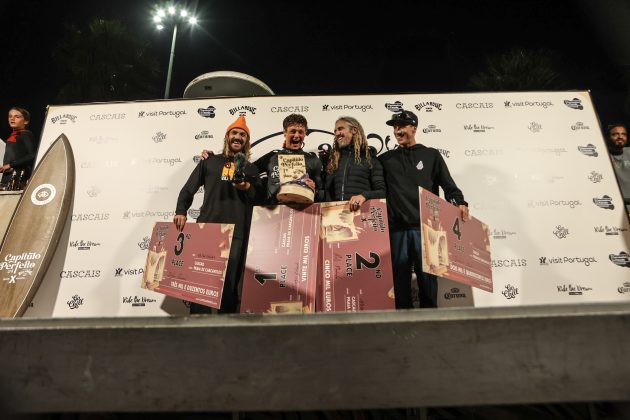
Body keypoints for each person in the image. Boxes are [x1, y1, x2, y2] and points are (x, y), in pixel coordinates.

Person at [378, 110, 469, 309]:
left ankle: (430, 323)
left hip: (428, 229)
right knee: (400, 282)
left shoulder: (431, 155)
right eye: (394, 127)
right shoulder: (386, 159)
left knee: (428, 281)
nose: (397, 130)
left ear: (414, 128)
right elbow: (374, 186)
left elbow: (449, 186)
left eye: (401, 126)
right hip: (398, 229)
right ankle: (403, 326)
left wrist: (460, 202)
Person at [173, 115, 259, 314]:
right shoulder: (209, 161)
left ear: (247, 141)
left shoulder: (251, 168)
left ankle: (226, 335)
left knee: (229, 287)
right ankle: (197, 331)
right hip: (208, 228)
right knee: (201, 285)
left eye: (243, 135)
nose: (238, 137)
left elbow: (259, 197)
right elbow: (188, 189)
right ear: (227, 137)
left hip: (236, 233)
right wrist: (181, 210)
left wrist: (247, 186)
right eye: (235, 133)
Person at [324, 116, 386, 210]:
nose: (337, 133)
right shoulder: (333, 161)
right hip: (337, 216)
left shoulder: (370, 160)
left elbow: (382, 192)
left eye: (340, 129)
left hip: (362, 216)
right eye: (335, 131)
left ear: (354, 130)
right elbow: (327, 191)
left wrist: (364, 196)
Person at [266, 113, 323, 203]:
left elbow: (323, 194)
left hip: (303, 212)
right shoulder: (271, 157)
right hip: (274, 212)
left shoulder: (313, 160)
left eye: (300, 132)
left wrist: (314, 189)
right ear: (285, 132)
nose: (296, 135)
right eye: (293, 131)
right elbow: (253, 179)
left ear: (305, 133)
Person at [1, 107, 37, 188]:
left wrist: (10, 165)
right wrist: (5, 167)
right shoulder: (13, 135)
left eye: (17, 117)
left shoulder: (25, 134)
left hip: (19, 175)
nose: (12, 119)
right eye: (10, 116)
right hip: (9, 174)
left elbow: (33, 155)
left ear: (26, 121)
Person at [606, 123, 630, 214]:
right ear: (608, 137)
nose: (620, 137)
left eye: (624, 134)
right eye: (615, 134)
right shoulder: (602, 155)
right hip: (615, 210)